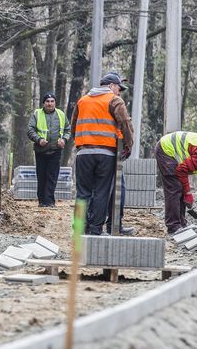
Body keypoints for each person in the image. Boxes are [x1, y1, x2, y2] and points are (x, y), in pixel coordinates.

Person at [71, 72, 134, 235]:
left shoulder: (82, 100)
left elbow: (73, 125)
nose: (119, 92)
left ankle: (79, 228)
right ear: (111, 86)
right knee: (101, 192)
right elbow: (125, 123)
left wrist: (80, 144)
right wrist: (128, 145)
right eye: (118, 88)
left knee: (83, 192)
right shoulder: (114, 100)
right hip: (105, 154)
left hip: (83, 153)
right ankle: (95, 229)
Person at [27, 92, 70, 206]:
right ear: (43, 103)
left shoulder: (61, 114)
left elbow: (68, 130)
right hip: (41, 151)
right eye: (47, 101)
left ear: (55, 103)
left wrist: (64, 140)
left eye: (52, 101)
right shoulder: (37, 114)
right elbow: (30, 130)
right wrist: (38, 139)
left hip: (56, 150)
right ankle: (41, 201)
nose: (50, 104)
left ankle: (50, 201)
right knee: (41, 176)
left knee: (52, 177)